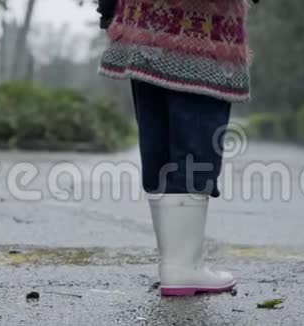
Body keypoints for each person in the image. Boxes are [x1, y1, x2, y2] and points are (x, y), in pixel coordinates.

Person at [98, 0, 251, 296]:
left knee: (159, 142)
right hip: (203, 26)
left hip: (142, 22)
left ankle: (174, 265)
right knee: (196, 146)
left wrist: (108, 10)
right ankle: (182, 268)